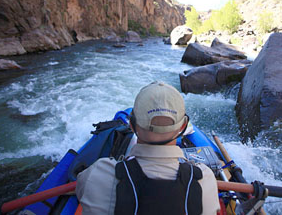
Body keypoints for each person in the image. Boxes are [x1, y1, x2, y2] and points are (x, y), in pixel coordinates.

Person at [76, 81, 220, 214]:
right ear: (183, 127)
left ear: (132, 125)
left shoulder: (99, 174)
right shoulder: (204, 179)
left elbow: (80, 189)